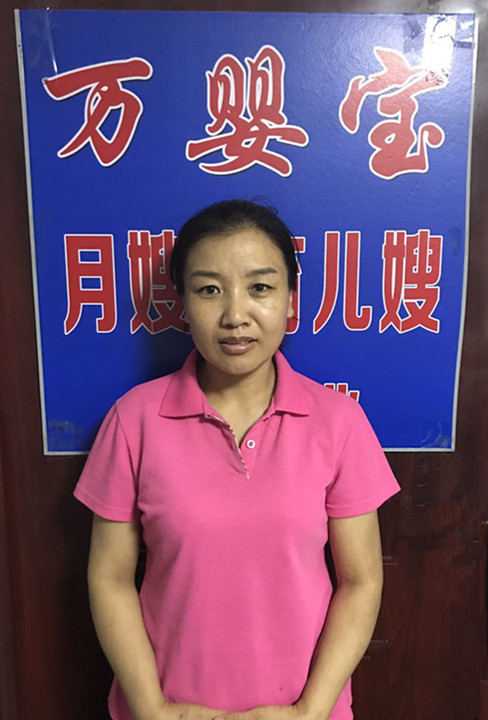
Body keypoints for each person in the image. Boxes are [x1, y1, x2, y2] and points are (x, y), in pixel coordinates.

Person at [74, 199, 400, 720]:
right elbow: (109, 578)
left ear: (291, 298)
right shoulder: (134, 420)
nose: (235, 316)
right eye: (209, 289)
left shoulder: (338, 422)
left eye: (260, 287)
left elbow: (361, 581)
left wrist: (309, 712)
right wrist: (154, 710)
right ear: (182, 302)